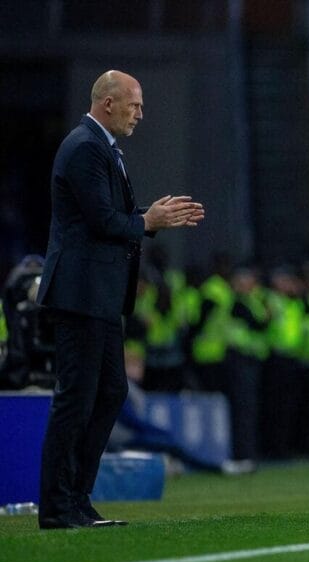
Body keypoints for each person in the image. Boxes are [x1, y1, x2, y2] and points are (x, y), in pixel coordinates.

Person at [35, 70, 205, 529]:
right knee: (76, 397)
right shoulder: (85, 147)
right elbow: (102, 221)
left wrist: (151, 218)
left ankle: (77, 498)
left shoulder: (102, 147)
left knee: (109, 392)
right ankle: (56, 507)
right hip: (81, 293)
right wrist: (148, 220)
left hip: (102, 296)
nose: (141, 113)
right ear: (108, 103)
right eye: (135, 104)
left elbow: (114, 218)